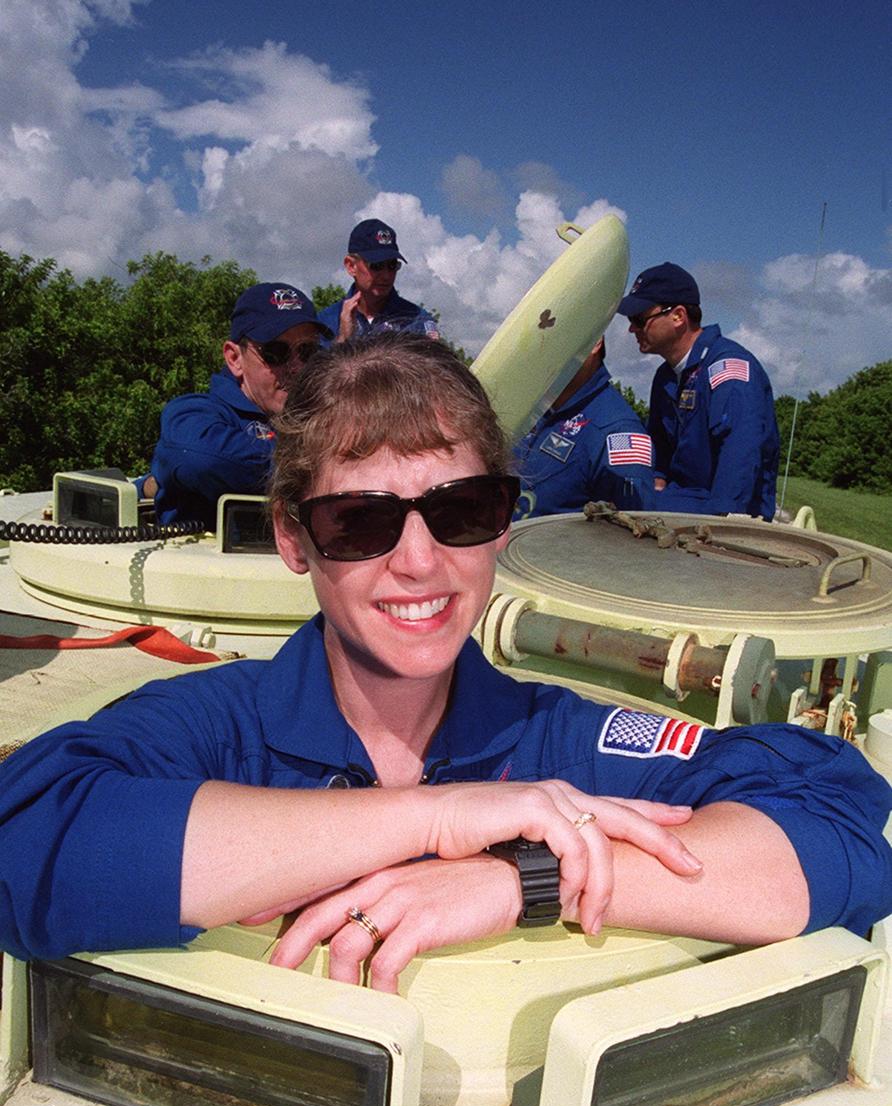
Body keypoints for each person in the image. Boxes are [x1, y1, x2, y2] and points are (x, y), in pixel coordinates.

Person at [1, 336, 889, 992]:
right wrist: (437, 817)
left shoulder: (554, 739)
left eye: (462, 509)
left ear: (504, 520)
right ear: (292, 538)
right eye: (360, 520)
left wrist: (520, 878)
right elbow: (28, 840)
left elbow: (836, 823)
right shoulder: (216, 726)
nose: (420, 562)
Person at [149, 283, 331, 529]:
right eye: (276, 352)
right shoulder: (194, 413)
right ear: (234, 358)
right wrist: (323, 461)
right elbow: (201, 459)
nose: (297, 367)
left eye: (308, 351)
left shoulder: (321, 415)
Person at [617, 263, 779, 519]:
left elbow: (741, 458)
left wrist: (718, 532)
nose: (631, 329)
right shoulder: (666, 376)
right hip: (683, 500)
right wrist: (656, 481)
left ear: (678, 316)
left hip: (724, 513)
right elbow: (660, 445)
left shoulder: (730, 370)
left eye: (639, 319)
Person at [512, 338, 655, 519]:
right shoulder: (531, 408)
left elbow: (630, 532)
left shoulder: (617, 431)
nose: (542, 347)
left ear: (595, 342)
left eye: (555, 337)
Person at [318, 219, 440, 343]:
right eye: (376, 265)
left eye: (392, 265)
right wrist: (343, 339)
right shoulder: (326, 322)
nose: (386, 275)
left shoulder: (417, 321)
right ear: (351, 266)